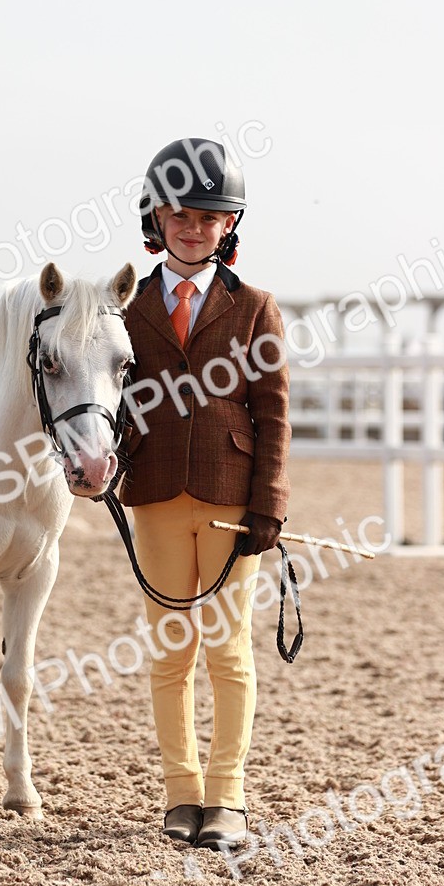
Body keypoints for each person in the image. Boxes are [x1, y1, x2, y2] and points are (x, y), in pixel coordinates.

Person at [116, 137, 291, 849]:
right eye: (179, 217)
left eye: (208, 218)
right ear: (156, 221)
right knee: (168, 651)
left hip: (229, 496)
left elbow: (274, 410)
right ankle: (180, 794)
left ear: (229, 226)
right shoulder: (123, 307)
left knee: (227, 650)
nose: (193, 229)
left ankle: (228, 797)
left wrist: (270, 503)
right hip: (155, 491)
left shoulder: (255, 306)